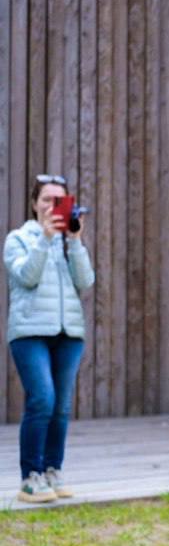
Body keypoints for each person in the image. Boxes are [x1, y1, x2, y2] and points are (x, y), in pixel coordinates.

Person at [3, 174, 95, 503]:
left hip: (69, 334)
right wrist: (45, 238)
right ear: (34, 204)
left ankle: (53, 470)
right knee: (42, 398)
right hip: (30, 333)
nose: (52, 206)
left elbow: (85, 281)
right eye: (46, 200)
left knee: (61, 406)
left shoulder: (68, 242)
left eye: (59, 201)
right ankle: (31, 477)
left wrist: (75, 241)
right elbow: (27, 277)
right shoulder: (18, 239)